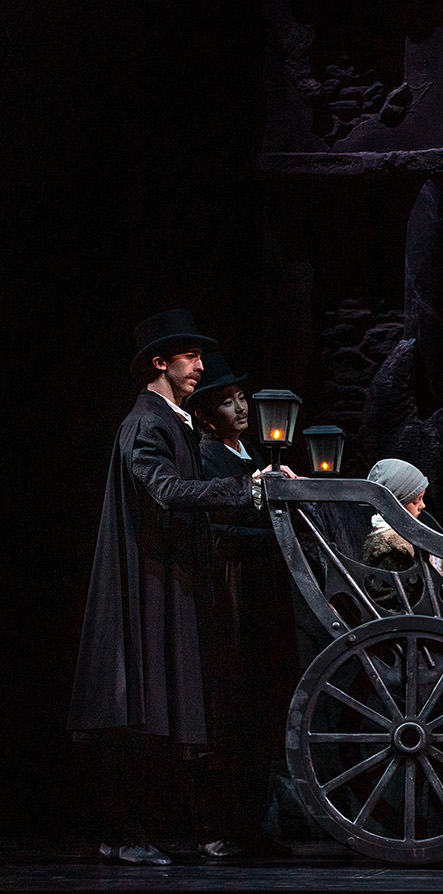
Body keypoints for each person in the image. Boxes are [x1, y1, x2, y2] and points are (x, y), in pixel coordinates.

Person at [67, 310, 272, 865]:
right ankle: (123, 835)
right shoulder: (147, 422)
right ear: (161, 362)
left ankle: (164, 831)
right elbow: (164, 488)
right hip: (145, 582)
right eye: (191, 356)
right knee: (137, 706)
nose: (200, 366)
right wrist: (245, 490)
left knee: (167, 708)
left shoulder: (175, 422)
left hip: (169, 578)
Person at [183, 352, 300, 856]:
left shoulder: (252, 454)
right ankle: (223, 828)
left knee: (261, 704)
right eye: (228, 402)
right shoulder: (209, 457)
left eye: (241, 398)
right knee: (234, 703)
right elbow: (216, 526)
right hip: (233, 585)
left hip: (261, 584)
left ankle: (252, 827)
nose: (241, 408)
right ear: (208, 415)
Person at [362, 457, 443, 615]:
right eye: (416, 501)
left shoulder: (396, 535)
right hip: (407, 611)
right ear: (396, 503)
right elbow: (421, 585)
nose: (422, 506)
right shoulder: (394, 542)